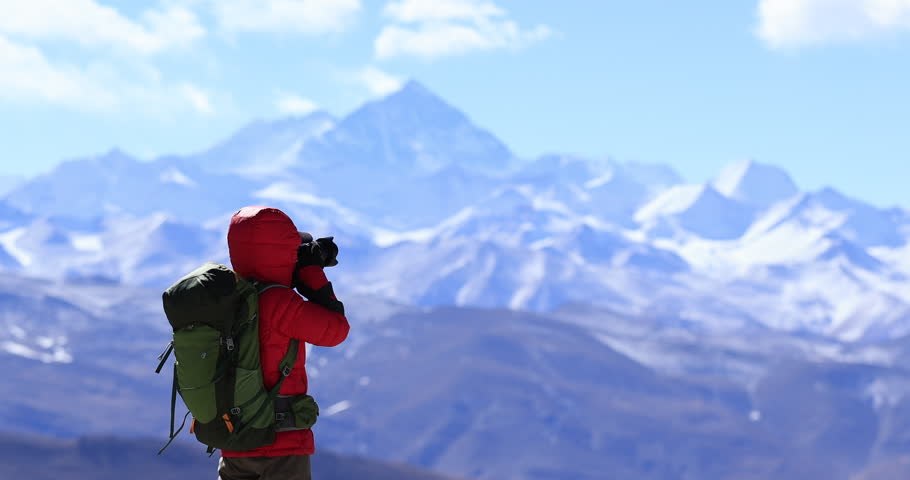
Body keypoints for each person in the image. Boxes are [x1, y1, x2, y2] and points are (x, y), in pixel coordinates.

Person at [219, 206, 350, 480]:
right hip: (280, 444)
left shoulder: (225, 296)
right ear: (280, 253)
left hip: (234, 439)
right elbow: (336, 330)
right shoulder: (277, 301)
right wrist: (311, 274)